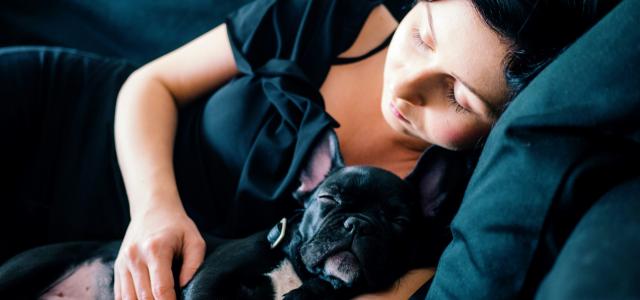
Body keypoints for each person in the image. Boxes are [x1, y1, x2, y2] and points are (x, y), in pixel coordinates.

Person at [0, 0, 619, 299]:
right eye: (422, 37)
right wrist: (155, 208)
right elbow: (149, 84)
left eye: (457, 97)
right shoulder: (335, 14)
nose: (406, 86)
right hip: (68, 125)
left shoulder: (456, 200)